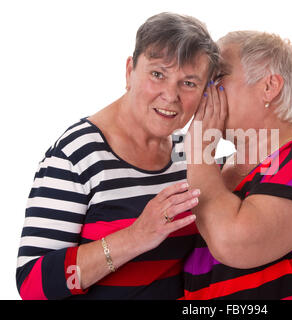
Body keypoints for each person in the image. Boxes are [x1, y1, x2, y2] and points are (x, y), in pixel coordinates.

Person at [16, 12, 220, 300]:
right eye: (158, 74)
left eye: (188, 83)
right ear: (129, 71)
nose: (170, 95)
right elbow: (32, 285)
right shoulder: (77, 154)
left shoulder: (194, 154)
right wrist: (135, 237)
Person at [183, 31, 292, 299]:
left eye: (219, 77)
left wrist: (197, 152)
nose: (206, 90)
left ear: (269, 87)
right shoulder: (211, 172)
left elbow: (233, 242)